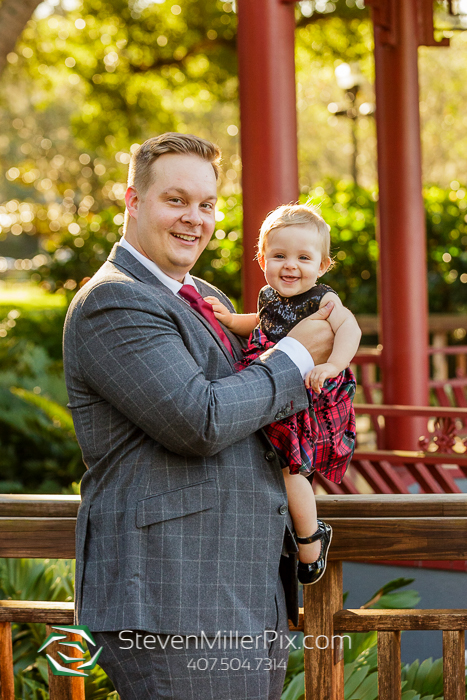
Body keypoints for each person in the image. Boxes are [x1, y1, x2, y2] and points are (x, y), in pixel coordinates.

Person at [63, 133, 335, 700]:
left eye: (207, 205)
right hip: (173, 592)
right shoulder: (113, 301)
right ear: (133, 201)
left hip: (241, 581)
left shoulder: (203, 295)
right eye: (176, 200)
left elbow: (256, 409)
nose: (195, 219)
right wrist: (296, 354)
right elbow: (200, 419)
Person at [205, 204, 361, 586]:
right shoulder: (269, 297)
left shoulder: (323, 300)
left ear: (322, 266)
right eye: (279, 256)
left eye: (303, 258)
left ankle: (310, 542)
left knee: (291, 472)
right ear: (262, 260)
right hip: (273, 392)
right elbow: (259, 324)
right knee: (269, 466)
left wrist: (333, 365)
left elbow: (350, 330)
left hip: (309, 397)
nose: (290, 266)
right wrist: (227, 320)